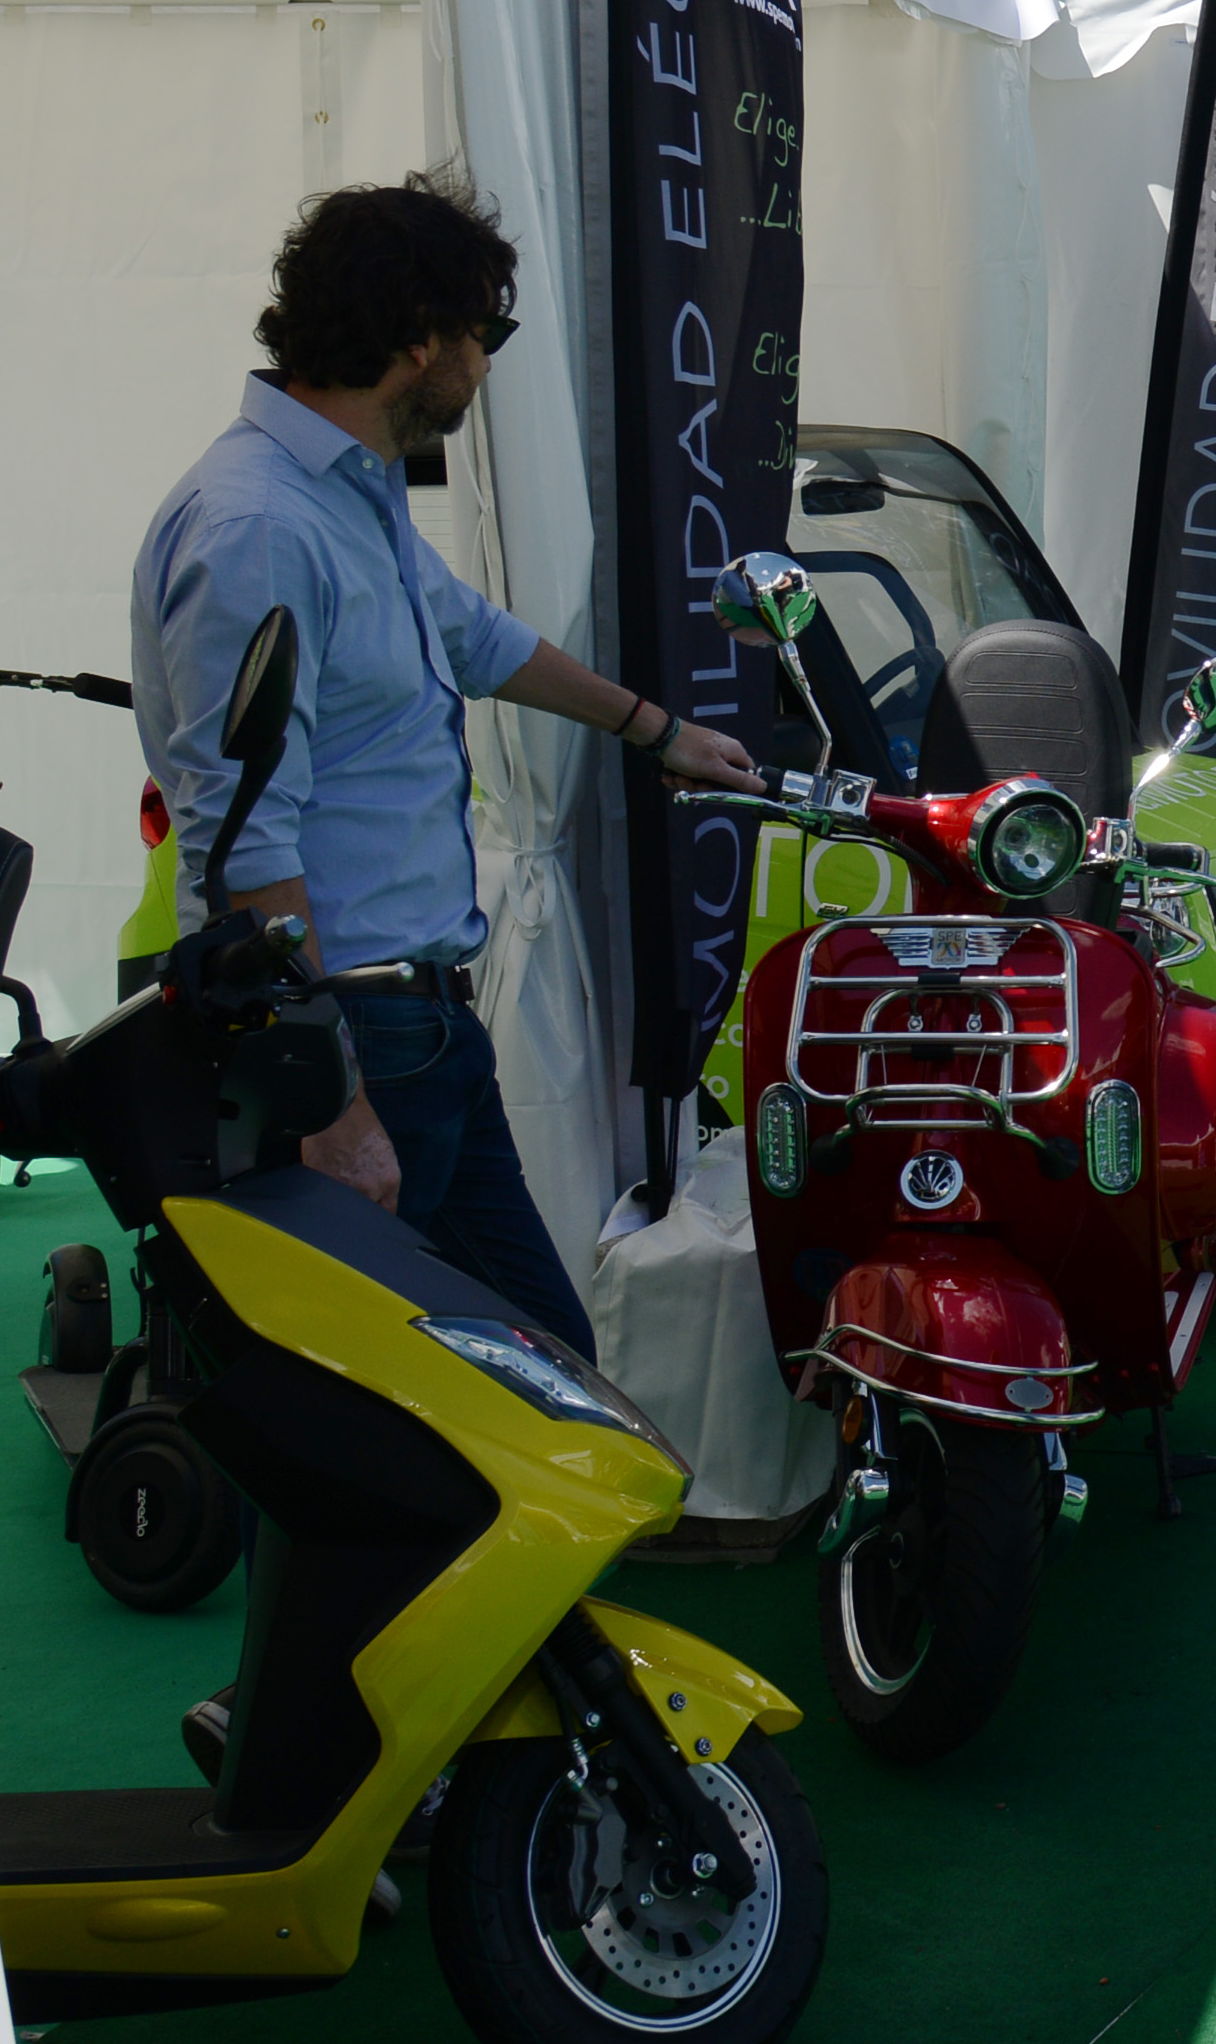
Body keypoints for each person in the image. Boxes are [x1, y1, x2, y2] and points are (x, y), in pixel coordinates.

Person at [131, 175, 764, 1357]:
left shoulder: (344, 492)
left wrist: (658, 732)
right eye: (488, 332)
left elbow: (472, 635)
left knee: (537, 1367)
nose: (485, 363)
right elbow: (244, 837)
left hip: (417, 1030)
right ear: (421, 337)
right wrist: (329, 1096)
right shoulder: (260, 525)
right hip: (352, 1033)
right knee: (374, 1392)